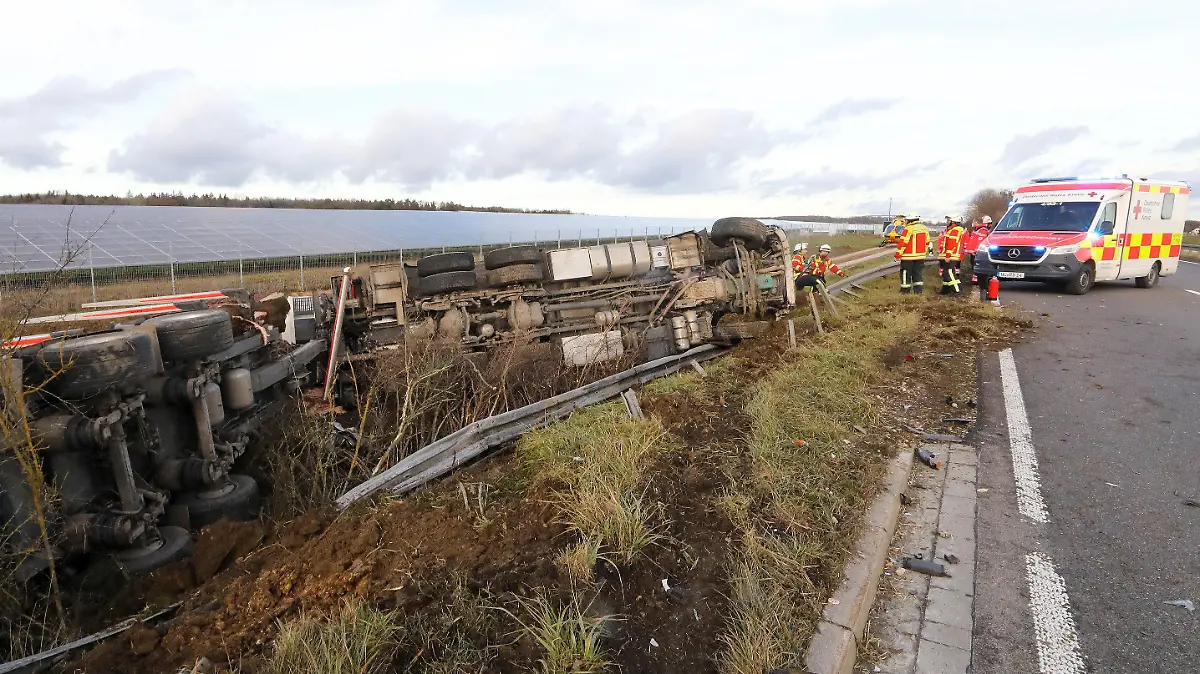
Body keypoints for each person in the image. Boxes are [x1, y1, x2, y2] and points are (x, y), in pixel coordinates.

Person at [895, 214, 930, 294]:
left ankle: (905, 291)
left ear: (909, 220)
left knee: (905, 274)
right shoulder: (924, 228)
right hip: (920, 257)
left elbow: (903, 243)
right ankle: (918, 291)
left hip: (908, 257)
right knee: (917, 273)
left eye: (906, 220)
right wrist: (923, 252)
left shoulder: (908, 229)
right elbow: (927, 242)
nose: (905, 222)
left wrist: (898, 255)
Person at [937, 215, 966, 295]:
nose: (947, 222)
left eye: (949, 220)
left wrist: (948, 255)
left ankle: (957, 290)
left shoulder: (955, 230)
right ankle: (945, 290)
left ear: (953, 222)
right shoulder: (951, 230)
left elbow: (952, 244)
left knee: (948, 272)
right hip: (948, 255)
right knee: (946, 273)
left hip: (951, 255)